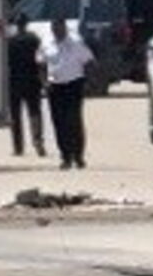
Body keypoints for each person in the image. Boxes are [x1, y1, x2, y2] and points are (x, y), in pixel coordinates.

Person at [39, 18, 94, 170]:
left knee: (74, 120)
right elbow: (41, 64)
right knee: (59, 123)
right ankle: (65, 156)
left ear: (65, 28)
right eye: (54, 28)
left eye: (60, 28)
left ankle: (78, 156)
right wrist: (44, 83)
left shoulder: (76, 43)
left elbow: (89, 62)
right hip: (55, 87)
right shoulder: (46, 43)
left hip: (74, 84)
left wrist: (88, 83)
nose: (57, 31)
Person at [8, 14, 45, 157]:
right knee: (34, 113)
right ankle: (38, 143)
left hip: (15, 81)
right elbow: (40, 60)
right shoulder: (34, 39)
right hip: (32, 80)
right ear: (27, 24)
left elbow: (7, 63)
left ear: (16, 25)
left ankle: (18, 147)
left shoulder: (11, 41)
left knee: (15, 116)